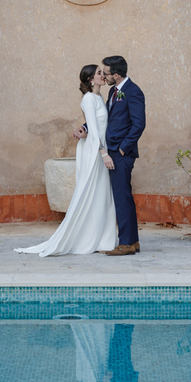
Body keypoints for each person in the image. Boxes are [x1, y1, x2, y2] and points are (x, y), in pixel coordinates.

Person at [15, 65, 118, 256]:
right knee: (90, 192)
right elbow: (95, 132)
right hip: (95, 152)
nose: (103, 75)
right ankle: (86, 239)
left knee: (101, 195)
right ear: (90, 79)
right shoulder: (88, 99)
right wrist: (104, 154)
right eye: (98, 73)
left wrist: (83, 130)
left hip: (99, 148)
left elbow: (96, 126)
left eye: (102, 72)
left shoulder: (99, 97)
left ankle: (102, 238)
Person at [96, 56, 145, 256]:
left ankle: (125, 243)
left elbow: (138, 124)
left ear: (116, 75)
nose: (104, 76)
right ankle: (132, 241)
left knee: (121, 197)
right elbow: (107, 119)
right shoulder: (113, 91)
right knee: (124, 197)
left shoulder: (133, 92)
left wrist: (123, 148)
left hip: (121, 154)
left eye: (106, 73)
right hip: (115, 151)